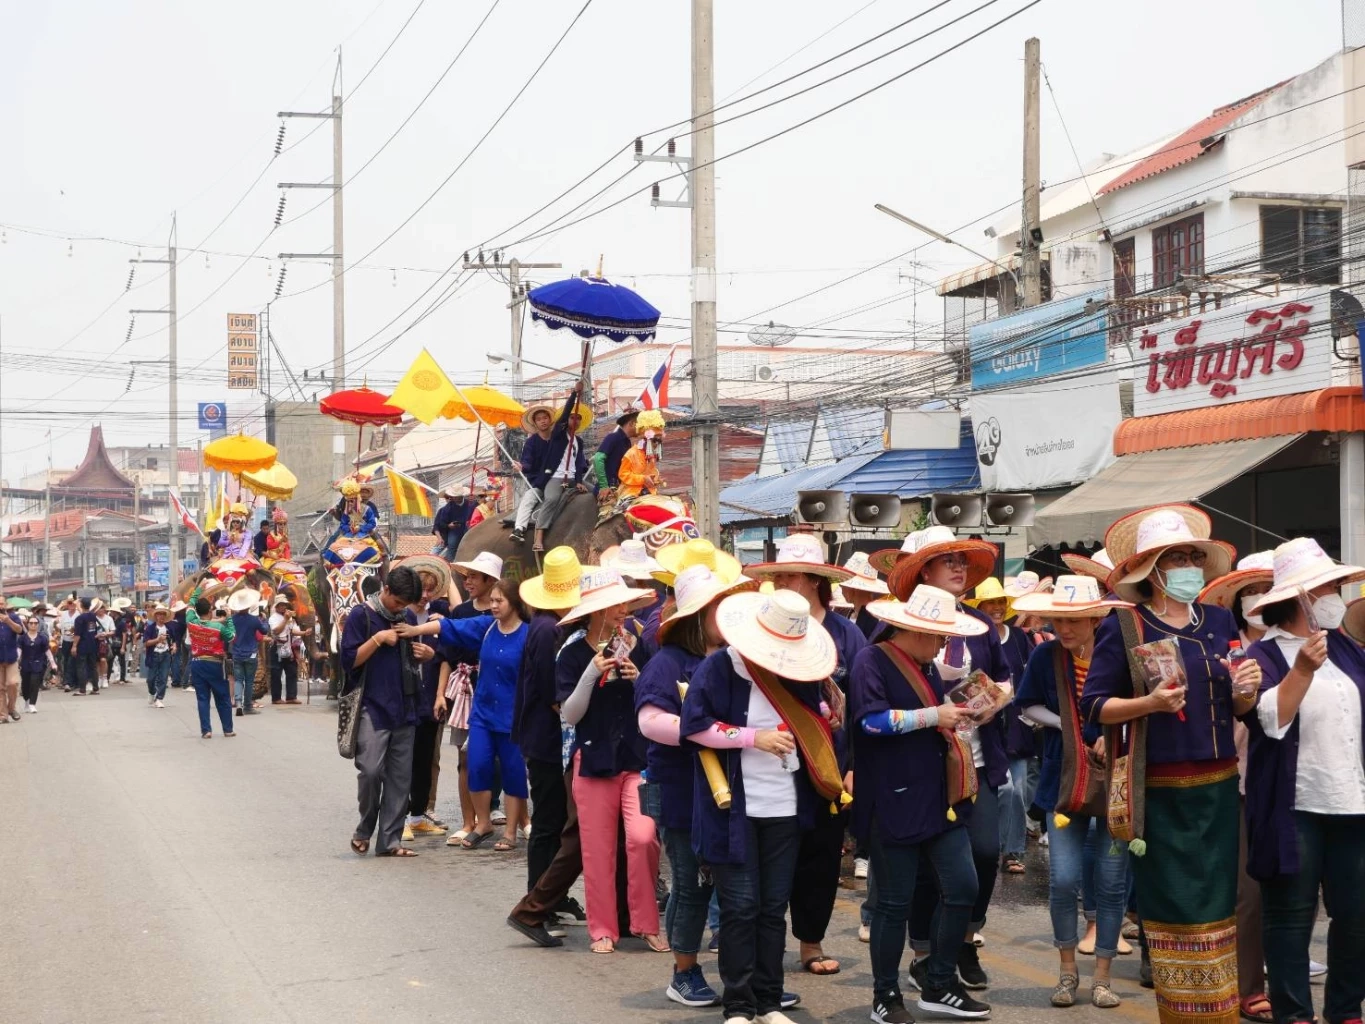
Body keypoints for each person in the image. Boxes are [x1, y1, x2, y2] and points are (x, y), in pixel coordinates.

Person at [1081, 504, 1260, 1024]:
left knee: (1218, 905)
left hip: (1220, 787)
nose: (1188, 565)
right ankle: (1182, 1013)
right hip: (1159, 789)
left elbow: (1236, 703)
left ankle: (1219, 1012)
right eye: (1175, 557)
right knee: (1176, 906)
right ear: (1152, 569)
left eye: (1191, 556)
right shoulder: (1127, 625)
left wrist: (1246, 692)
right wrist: (1149, 706)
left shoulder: (1221, 620)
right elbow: (1096, 705)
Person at [681, 588, 850, 1024]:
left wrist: (827, 722)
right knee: (740, 907)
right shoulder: (719, 668)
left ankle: (769, 1002)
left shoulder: (798, 674)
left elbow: (814, 727)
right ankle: (738, 1005)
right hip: (732, 809)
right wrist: (753, 737)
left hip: (786, 807)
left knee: (773, 909)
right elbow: (694, 726)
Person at [849, 584, 992, 1023]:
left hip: (936, 797)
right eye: (938, 635)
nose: (943, 643)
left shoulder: (925, 665)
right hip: (890, 797)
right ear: (912, 628)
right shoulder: (870, 660)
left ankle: (939, 982)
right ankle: (885, 994)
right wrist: (935, 716)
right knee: (893, 902)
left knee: (964, 887)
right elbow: (870, 722)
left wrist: (960, 714)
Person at [876, 526, 1004, 991]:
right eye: (946, 560)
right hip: (920, 767)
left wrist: (996, 700)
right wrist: (933, 715)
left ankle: (965, 939)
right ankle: (924, 954)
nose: (958, 567)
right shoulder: (889, 629)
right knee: (928, 866)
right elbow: (873, 709)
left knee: (986, 852)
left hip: (977, 759)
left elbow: (1006, 679)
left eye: (962, 560)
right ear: (922, 570)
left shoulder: (981, 625)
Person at [1243, 537, 1365, 1024]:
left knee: (1356, 917)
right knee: (1290, 918)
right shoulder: (1265, 655)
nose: (1336, 592)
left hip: (1352, 802)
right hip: (1292, 807)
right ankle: (1294, 1013)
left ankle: (1346, 1010)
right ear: (1300, 597)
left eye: (1336, 584)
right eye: (1327, 586)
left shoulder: (1348, 650)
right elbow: (1269, 720)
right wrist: (1302, 670)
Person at [742, 532, 865, 978]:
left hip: (829, 766)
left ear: (815, 580)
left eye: (791, 575)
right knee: (769, 855)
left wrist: (853, 766)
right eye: (779, 575)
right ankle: (759, 945)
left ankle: (810, 943)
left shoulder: (846, 634)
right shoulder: (762, 627)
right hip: (769, 762)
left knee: (821, 854)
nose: (784, 582)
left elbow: (864, 705)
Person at [636, 564, 755, 1007]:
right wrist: (709, 729)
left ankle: (749, 982)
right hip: (684, 791)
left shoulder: (734, 660)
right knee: (692, 884)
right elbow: (650, 722)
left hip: (734, 793)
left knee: (742, 889)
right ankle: (683, 972)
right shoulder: (667, 663)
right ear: (696, 615)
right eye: (717, 607)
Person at [1013, 576, 1133, 1009]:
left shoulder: (1117, 652)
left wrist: (1112, 729)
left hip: (1116, 779)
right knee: (1063, 879)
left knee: (1112, 879)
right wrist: (1067, 724)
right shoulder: (1046, 655)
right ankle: (1067, 972)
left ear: (1097, 617)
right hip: (1061, 781)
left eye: (1075, 620)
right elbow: (1026, 706)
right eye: (1059, 619)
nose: (1065, 628)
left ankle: (1102, 976)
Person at [556, 566, 660, 953]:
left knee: (644, 837)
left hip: (637, 759)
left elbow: (653, 704)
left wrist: (638, 679)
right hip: (594, 758)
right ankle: (602, 929)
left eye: (625, 606)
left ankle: (646, 922)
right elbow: (570, 714)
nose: (623, 612)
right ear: (598, 610)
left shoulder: (635, 643)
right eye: (617, 606)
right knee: (597, 850)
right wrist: (589, 673)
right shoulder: (571, 652)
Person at [1198, 551, 1277, 1024]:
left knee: (1292, 887)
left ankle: (1275, 972)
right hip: (1240, 778)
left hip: (1294, 784)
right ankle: (1249, 985)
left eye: (1269, 589)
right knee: (1247, 892)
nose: (1261, 599)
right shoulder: (1225, 650)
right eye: (1253, 591)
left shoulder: (1308, 647)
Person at [407, 578, 530, 851]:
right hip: (483, 714)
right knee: (475, 766)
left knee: (512, 773)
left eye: (500, 601)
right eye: (493, 600)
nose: (494, 606)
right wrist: (414, 629)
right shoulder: (486, 627)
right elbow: (448, 626)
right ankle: (482, 823)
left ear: (515, 604)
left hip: (512, 717)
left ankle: (510, 831)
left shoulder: (528, 635)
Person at [507, 547, 586, 944]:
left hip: (549, 737)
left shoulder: (552, 625)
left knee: (556, 822)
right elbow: (550, 691)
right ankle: (538, 897)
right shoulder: (545, 630)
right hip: (545, 739)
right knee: (549, 823)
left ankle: (551, 896)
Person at [342, 566, 433, 857]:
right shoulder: (362, 615)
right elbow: (349, 661)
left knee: (399, 778)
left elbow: (411, 658)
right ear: (387, 591)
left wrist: (426, 654)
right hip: (373, 705)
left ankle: (391, 840)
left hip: (406, 706)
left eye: (406, 606)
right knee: (369, 771)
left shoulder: (405, 617)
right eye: (398, 603)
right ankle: (365, 827)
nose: (401, 609)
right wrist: (378, 639)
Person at [966, 577, 1036, 877]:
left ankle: (1013, 851)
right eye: (989, 602)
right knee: (1000, 790)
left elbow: (1018, 677)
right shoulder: (971, 633)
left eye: (999, 602)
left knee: (1016, 790)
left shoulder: (1020, 638)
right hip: (978, 729)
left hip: (1016, 725)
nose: (995, 607)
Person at [446, 551, 504, 840]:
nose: (467, 581)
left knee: (504, 756)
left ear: (490, 580)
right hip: (467, 690)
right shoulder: (460, 614)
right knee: (465, 757)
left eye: (473, 576)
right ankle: (469, 822)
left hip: (499, 690)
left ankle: (506, 817)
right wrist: (439, 695)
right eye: (465, 576)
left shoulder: (504, 615)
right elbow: (449, 656)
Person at [512, 387, 592, 550]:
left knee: (595, 491)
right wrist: (574, 394)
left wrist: (579, 480)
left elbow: (578, 464)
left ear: (550, 420)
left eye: (545, 418)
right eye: (571, 418)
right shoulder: (557, 435)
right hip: (548, 478)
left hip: (571, 478)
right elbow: (527, 462)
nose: (543, 421)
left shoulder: (578, 441)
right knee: (543, 499)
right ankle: (531, 534)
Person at [227, 589, 266, 714]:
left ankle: (238, 703)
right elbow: (264, 631)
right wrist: (264, 620)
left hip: (237, 653)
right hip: (251, 654)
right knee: (249, 681)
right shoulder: (254, 620)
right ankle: (247, 706)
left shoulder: (232, 619)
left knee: (238, 679)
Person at [616, 410, 665, 504]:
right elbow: (623, 475)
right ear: (646, 439)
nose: (656, 444)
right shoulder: (631, 454)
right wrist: (643, 479)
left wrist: (656, 480)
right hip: (631, 494)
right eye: (655, 441)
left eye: (658, 441)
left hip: (650, 494)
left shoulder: (651, 456)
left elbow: (651, 474)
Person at [839, 551, 889, 638]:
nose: (840, 586)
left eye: (844, 584)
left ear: (853, 589)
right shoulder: (849, 613)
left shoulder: (872, 620)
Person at [592, 406, 640, 495]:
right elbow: (597, 459)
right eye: (639, 423)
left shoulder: (627, 442)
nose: (641, 427)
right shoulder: (613, 437)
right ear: (631, 424)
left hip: (619, 488)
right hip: (608, 490)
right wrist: (604, 486)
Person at [267, 595, 303, 705]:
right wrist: (285, 619)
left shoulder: (290, 617)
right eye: (281, 605)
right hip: (277, 646)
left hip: (288, 646)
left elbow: (293, 631)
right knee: (276, 673)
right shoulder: (273, 618)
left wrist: (304, 633)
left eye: (285, 605)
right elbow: (276, 631)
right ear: (277, 607)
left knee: (292, 671)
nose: (283, 607)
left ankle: (291, 696)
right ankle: (276, 697)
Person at [143, 604, 173, 708]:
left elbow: (174, 640)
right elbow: (146, 643)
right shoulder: (150, 628)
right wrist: (158, 639)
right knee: (150, 679)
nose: (161, 616)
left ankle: (159, 698)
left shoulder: (169, 628)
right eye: (159, 614)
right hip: (154, 655)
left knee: (163, 678)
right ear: (155, 616)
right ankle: (152, 692)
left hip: (165, 655)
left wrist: (174, 646)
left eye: (163, 614)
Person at [18, 613, 48, 714]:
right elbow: (19, 650)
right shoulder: (22, 638)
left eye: (35, 623)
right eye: (31, 623)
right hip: (25, 664)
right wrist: (16, 660)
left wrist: (53, 663)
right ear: (28, 624)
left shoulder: (42, 638)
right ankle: (26, 701)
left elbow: (47, 651)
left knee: (34, 683)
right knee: (25, 685)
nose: (33, 625)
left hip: (38, 663)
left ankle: (32, 704)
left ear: (38, 625)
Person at [71, 597, 102, 697]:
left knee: (81, 667)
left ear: (81, 605)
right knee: (93, 667)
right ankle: (96, 688)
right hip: (93, 644)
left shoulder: (79, 619)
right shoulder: (93, 616)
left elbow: (77, 634)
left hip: (83, 645)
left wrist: (74, 646)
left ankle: (82, 689)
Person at [431, 490, 473, 561]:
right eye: (447, 497)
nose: (450, 499)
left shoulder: (470, 504)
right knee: (437, 554)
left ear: (462, 495)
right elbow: (437, 525)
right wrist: (440, 536)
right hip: (447, 537)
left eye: (450, 497)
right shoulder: (445, 509)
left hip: (466, 531)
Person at [0, 597, 23, 721]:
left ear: (6, 604)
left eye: (2, 603)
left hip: (11, 657)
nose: (0, 605)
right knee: (1, 688)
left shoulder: (13, 616)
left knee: (13, 684)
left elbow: (20, 630)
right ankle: (3, 715)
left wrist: (8, 621)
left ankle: (11, 708)